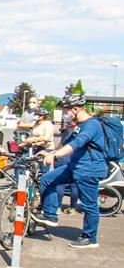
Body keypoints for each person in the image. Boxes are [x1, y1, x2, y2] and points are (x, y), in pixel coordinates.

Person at [37, 94, 108, 248]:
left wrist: (56, 155)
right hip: (75, 166)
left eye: (66, 110)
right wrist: (49, 152)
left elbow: (76, 143)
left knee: (89, 205)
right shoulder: (80, 125)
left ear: (75, 108)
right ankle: (50, 215)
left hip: (89, 169)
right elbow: (67, 142)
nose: (65, 113)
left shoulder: (92, 125)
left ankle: (90, 238)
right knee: (47, 179)